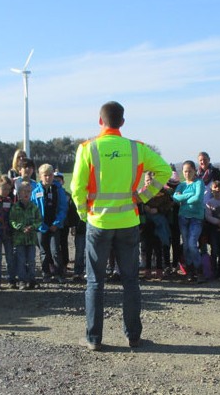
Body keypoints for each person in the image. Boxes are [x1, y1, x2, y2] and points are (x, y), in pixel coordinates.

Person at [70, 101, 172, 351]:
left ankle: (94, 338)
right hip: (128, 221)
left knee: (95, 282)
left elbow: (77, 188)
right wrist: (144, 196)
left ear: (99, 120)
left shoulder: (88, 149)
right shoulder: (136, 149)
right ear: (122, 122)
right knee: (130, 281)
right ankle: (133, 336)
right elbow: (165, 171)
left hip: (99, 222)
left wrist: (85, 213)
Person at [32, 163, 68, 283]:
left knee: (55, 250)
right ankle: (46, 273)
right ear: (40, 176)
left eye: (50, 175)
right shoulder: (35, 191)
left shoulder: (59, 190)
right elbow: (33, 210)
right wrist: (41, 225)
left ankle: (59, 274)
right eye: (45, 175)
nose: (48, 177)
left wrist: (56, 223)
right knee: (43, 251)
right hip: (41, 226)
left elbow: (63, 208)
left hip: (54, 226)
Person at [173, 160, 206, 283]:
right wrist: (188, 196)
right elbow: (175, 198)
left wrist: (184, 199)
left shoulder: (199, 183)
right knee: (186, 245)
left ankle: (199, 270)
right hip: (183, 217)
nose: (187, 174)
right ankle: (190, 270)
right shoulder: (181, 185)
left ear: (194, 170)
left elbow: (198, 198)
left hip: (196, 218)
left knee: (192, 243)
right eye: (185, 171)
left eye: (190, 171)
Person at [139, 171, 172, 281]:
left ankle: (159, 270)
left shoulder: (163, 192)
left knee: (159, 248)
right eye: (147, 180)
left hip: (160, 223)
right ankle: (147, 271)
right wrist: (145, 208)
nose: (149, 183)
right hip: (147, 224)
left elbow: (169, 205)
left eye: (151, 180)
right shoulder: (143, 193)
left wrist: (157, 209)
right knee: (147, 248)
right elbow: (139, 205)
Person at [10, 182, 41, 290]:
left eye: (28, 191)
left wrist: (32, 227)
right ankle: (22, 280)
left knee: (31, 260)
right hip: (19, 239)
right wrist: (21, 227)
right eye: (24, 191)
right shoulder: (15, 207)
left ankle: (32, 279)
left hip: (31, 238)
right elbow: (12, 220)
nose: (26, 194)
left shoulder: (34, 207)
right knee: (21, 260)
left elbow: (39, 220)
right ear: (19, 193)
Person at [203, 179, 220, 280]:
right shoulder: (209, 203)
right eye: (215, 189)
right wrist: (217, 222)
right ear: (211, 191)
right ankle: (213, 270)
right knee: (214, 250)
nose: (217, 191)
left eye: (219, 189)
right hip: (213, 230)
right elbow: (207, 216)